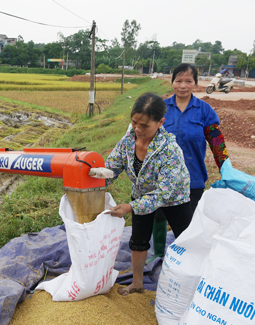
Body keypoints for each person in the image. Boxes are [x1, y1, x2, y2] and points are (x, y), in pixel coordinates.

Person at [92, 92, 193, 296]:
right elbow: (112, 167)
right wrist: (92, 182)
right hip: (142, 194)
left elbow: (163, 194)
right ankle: (137, 283)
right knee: (138, 240)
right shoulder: (129, 139)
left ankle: (188, 284)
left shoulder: (169, 149)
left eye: (144, 126)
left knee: (185, 240)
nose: (137, 129)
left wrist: (130, 207)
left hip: (174, 197)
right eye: (134, 122)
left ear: (160, 122)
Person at [148, 64, 230, 259]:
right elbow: (145, 137)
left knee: (188, 220)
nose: (182, 85)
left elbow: (216, 140)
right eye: (178, 81)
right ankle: (158, 253)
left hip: (192, 177)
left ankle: (184, 257)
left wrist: (225, 167)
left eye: (188, 81)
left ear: (195, 83)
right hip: (160, 176)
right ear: (172, 82)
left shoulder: (204, 110)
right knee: (158, 214)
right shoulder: (160, 108)